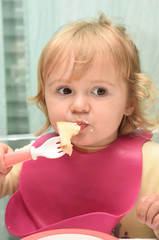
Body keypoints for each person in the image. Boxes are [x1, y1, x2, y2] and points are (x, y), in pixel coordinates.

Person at [0, 13, 159, 238]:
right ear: (45, 99)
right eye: (65, 90)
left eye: (99, 91)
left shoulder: (153, 164)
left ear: (129, 102)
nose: (79, 105)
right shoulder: (36, 154)